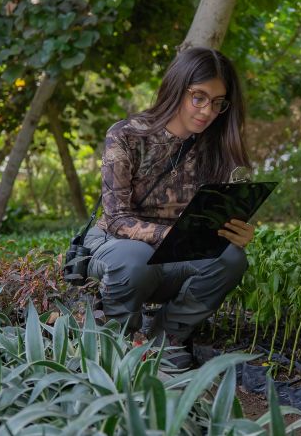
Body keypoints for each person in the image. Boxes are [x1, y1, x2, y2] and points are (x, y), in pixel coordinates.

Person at [83, 47, 254, 369]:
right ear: (177, 88)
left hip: (176, 253)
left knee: (231, 258)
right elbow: (118, 219)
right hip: (116, 248)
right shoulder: (127, 135)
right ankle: (121, 337)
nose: (207, 111)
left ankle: (166, 336)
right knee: (134, 257)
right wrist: (176, 235)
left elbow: (213, 223)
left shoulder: (218, 149)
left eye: (218, 103)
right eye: (198, 97)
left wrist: (235, 233)